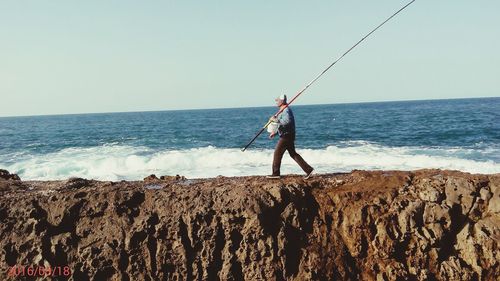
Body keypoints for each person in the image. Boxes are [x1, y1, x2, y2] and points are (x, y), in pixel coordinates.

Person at [267, 94, 314, 179]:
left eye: (277, 100)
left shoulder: (286, 110)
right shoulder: (283, 110)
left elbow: (287, 121)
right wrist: (276, 132)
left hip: (286, 136)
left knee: (277, 153)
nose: (276, 102)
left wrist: (276, 120)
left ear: (282, 101)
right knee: (293, 154)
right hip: (288, 135)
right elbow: (283, 125)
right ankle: (308, 170)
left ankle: (276, 174)